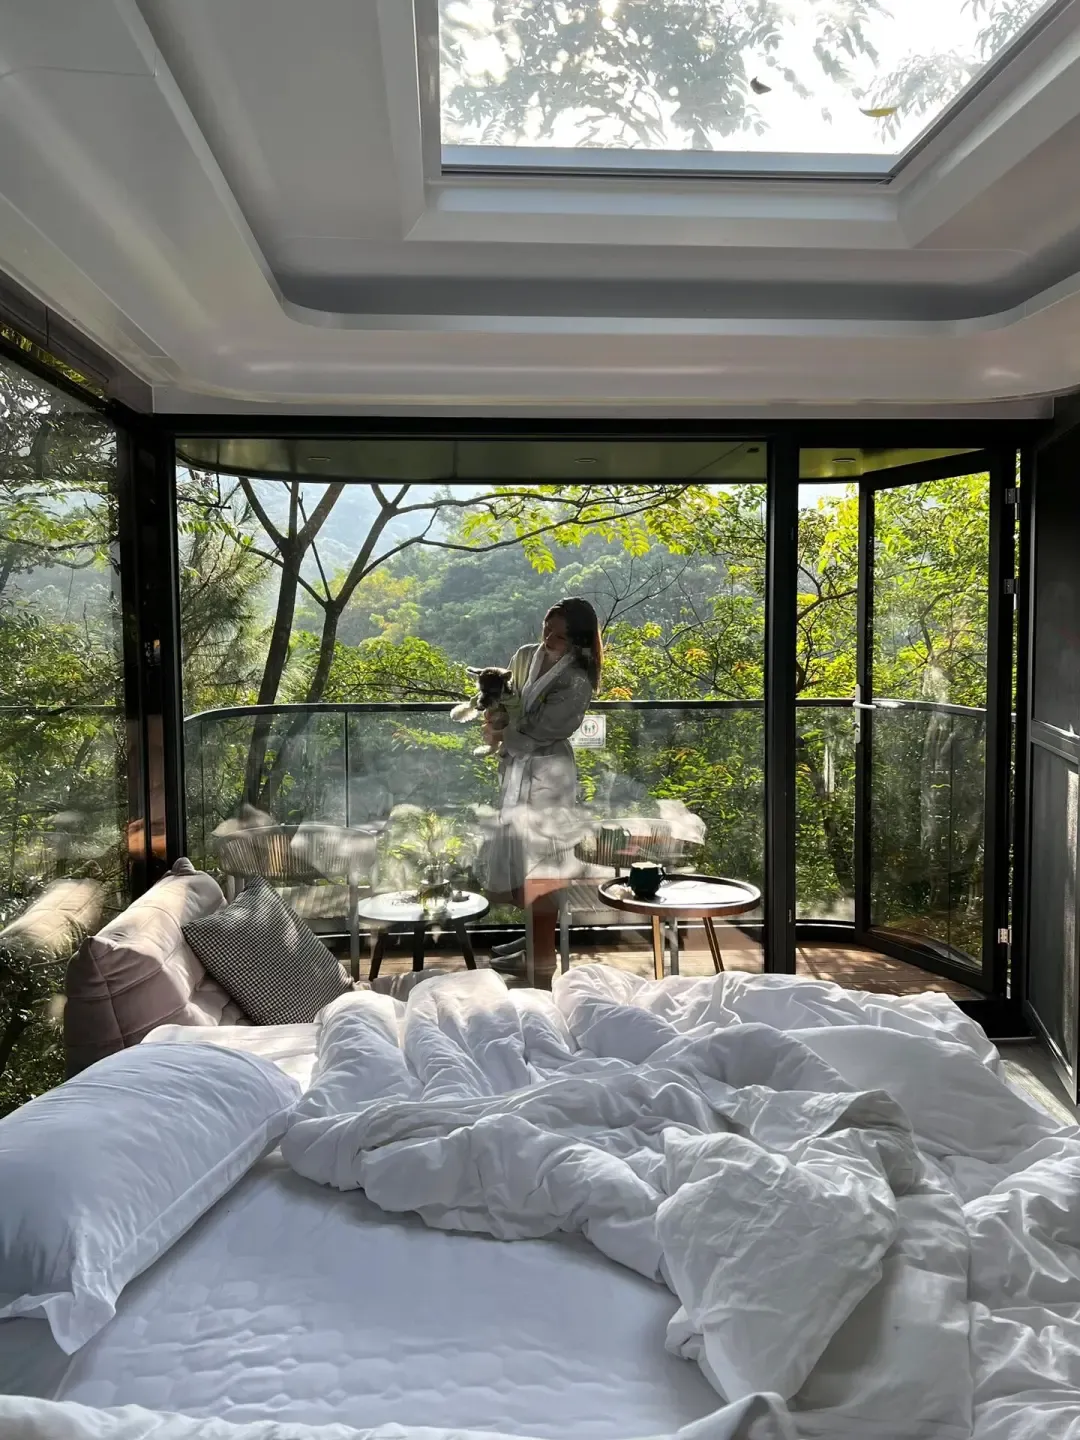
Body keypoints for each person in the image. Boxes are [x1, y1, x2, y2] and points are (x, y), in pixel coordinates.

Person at [482, 597, 602, 979]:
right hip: (518, 767)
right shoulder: (524, 656)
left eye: (559, 636)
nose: (548, 639)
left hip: (550, 772)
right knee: (519, 859)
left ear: (578, 640)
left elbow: (544, 729)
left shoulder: (577, 680)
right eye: (546, 629)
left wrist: (503, 733)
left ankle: (541, 957)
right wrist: (495, 715)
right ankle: (535, 941)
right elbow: (508, 701)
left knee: (544, 863)